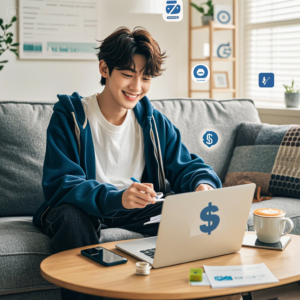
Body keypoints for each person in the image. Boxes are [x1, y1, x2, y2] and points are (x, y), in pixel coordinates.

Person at [33, 26, 223, 300]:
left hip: (137, 208)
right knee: (71, 218)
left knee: (185, 218)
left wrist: (202, 185)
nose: (136, 87)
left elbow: (188, 165)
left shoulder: (153, 121)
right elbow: (62, 183)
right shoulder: (70, 115)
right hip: (82, 208)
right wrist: (117, 197)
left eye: (145, 77)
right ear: (104, 69)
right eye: (127, 74)